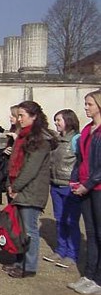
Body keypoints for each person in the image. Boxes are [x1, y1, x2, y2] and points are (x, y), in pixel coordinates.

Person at [4, 101, 57, 279]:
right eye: (18, 116)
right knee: (19, 228)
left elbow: (31, 168)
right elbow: (14, 163)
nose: (19, 119)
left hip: (31, 190)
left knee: (29, 229)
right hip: (18, 187)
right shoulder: (23, 136)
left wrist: (16, 186)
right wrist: (10, 185)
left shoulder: (41, 140)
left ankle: (29, 266)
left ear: (34, 116)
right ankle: (20, 262)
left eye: (22, 116)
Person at [68, 90, 101, 295]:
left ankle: (98, 278)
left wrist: (87, 184)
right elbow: (81, 159)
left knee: (99, 233)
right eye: (86, 104)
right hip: (85, 186)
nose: (86, 107)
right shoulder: (88, 130)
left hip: (97, 187)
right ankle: (89, 275)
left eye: (89, 104)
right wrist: (75, 180)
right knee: (90, 232)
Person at [43, 109, 81, 268]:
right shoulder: (57, 140)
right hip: (56, 184)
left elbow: (81, 162)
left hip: (69, 186)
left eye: (59, 120)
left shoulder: (76, 140)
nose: (56, 123)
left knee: (71, 221)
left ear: (68, 120)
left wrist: (77, 181)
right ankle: (60, 250)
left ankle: (72, 254)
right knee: (60, 220)